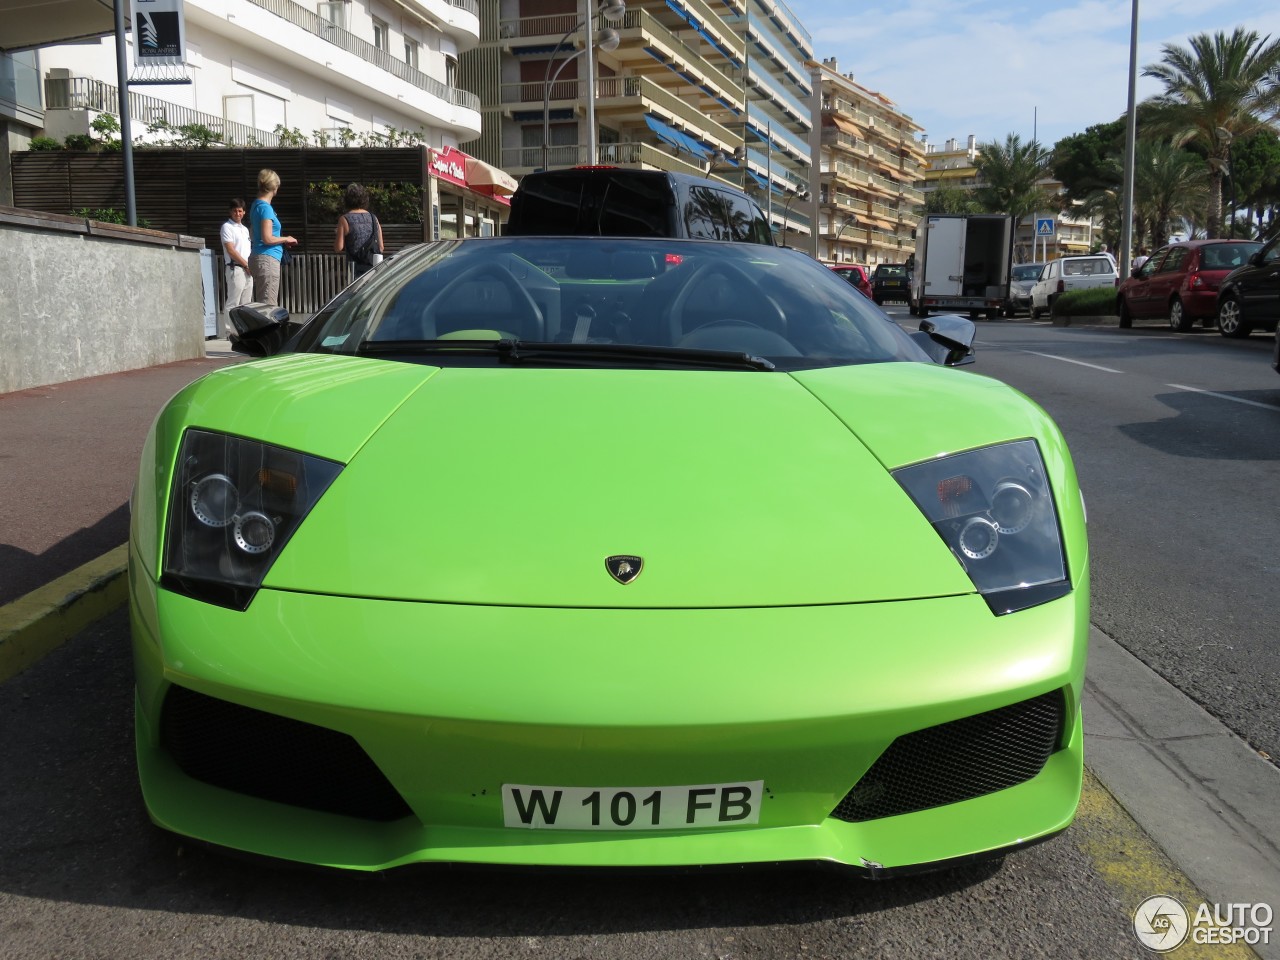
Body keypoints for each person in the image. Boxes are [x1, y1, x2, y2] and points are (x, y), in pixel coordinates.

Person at [248, 169, 297, 307]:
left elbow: (255, 234)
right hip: (268, 259)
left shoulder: (255, 206)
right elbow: (268, 238)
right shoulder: (266, 208)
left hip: (258, 256)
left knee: (261, 305)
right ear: (275, 187)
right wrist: (285, 239)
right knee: (268, 306)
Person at [334, 182, 384, 278]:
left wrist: (338, 234)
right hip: (374, 270)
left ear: (347, 200)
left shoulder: (344, 219)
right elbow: (381, 247)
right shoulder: (374, 218)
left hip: (356, 270)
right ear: (364, 199)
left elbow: (338, 248)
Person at [219, 198, 253, 335]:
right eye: (235, 211)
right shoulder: (227, 227)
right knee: (233, 302)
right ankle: (230, 332)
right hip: (236, 268)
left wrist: (250, 265)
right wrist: (245, 264)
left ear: (244, 212)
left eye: (240, 211)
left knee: (246, 303)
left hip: (248, 269)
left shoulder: (245, 230)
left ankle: (244, 331)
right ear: (230, 212)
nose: (237, 213)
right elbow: (231, 250)